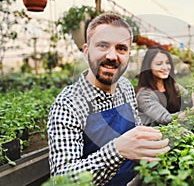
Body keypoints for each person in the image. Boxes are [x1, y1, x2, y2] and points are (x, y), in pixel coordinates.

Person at [47, 13, 170, 186]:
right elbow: (62, 181)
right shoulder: (68, 105)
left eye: (121, 48)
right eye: (103, 45)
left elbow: (135, 132)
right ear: (86, 50)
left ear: (128, 54)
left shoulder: (126, 87)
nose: (112, 56)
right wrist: (117, 151)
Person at [136, 46, 194, 126]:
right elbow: (166, 119)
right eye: (159, 64)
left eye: (167, 63)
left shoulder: (173, 86)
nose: (165, 67)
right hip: (157, 137)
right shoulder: (144, 95)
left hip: (179, 134)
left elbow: (190, 99)